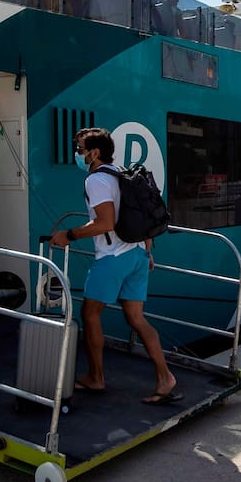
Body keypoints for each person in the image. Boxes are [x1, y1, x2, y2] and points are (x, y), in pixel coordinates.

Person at [50, 128, 179, 404]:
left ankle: (96, 377)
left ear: (94, 153)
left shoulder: (96, 180)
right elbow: (138, 213)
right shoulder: (122, 173)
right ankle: (165, 377)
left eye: (80, 148)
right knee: (136, 318)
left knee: (90, 313)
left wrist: (68, 236)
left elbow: (105, 223)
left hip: (112, 257)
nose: (77, 153)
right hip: (137, 256)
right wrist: (147, 250)